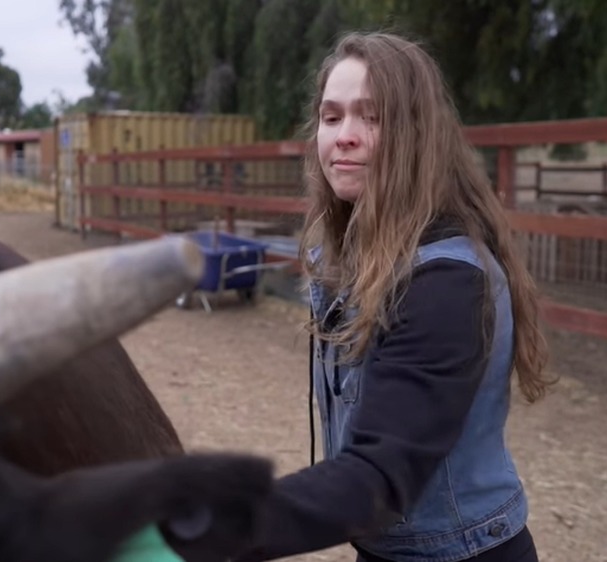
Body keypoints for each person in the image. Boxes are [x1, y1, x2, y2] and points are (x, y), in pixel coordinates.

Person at [232, 30, 554, 562]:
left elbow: (376, 478)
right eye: (332, 117)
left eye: (372, 117)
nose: (345, 136)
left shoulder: (445, 282)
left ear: (417, 134)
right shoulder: (342, 255)